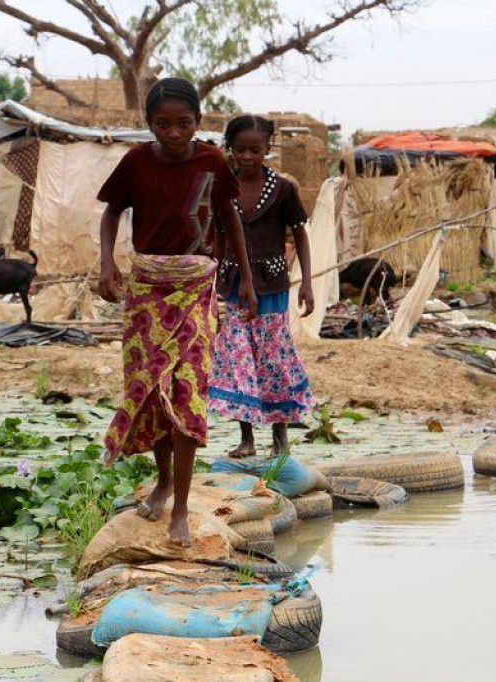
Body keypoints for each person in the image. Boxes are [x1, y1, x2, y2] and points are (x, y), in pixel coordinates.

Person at [96, 78, 257, 547]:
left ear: (198, 123)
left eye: (183, 123)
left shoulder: (212, 162)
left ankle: (181, 506)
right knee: (150, 391)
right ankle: (163, 481)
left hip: (197, 290)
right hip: (146, 289)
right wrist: (107, 262)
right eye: (162, 123)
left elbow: (229, 218)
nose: (173, 132)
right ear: (149, 125)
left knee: (186, 391)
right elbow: (111, 212)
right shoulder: (135, 162)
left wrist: (244, 278)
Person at [209, 114, 316, 457]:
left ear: (267, 148)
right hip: (233, 283)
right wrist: (212, 284)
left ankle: (280, 437)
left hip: (271, 285)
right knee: (240, 358)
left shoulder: (283, 189)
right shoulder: (222, 187)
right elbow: (218, 237)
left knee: (272, 357)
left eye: (255, 150)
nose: (247, 157)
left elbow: (299, 232)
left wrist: (308, 283)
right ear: (231, 149)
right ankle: (247, 439)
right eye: (240, 150)